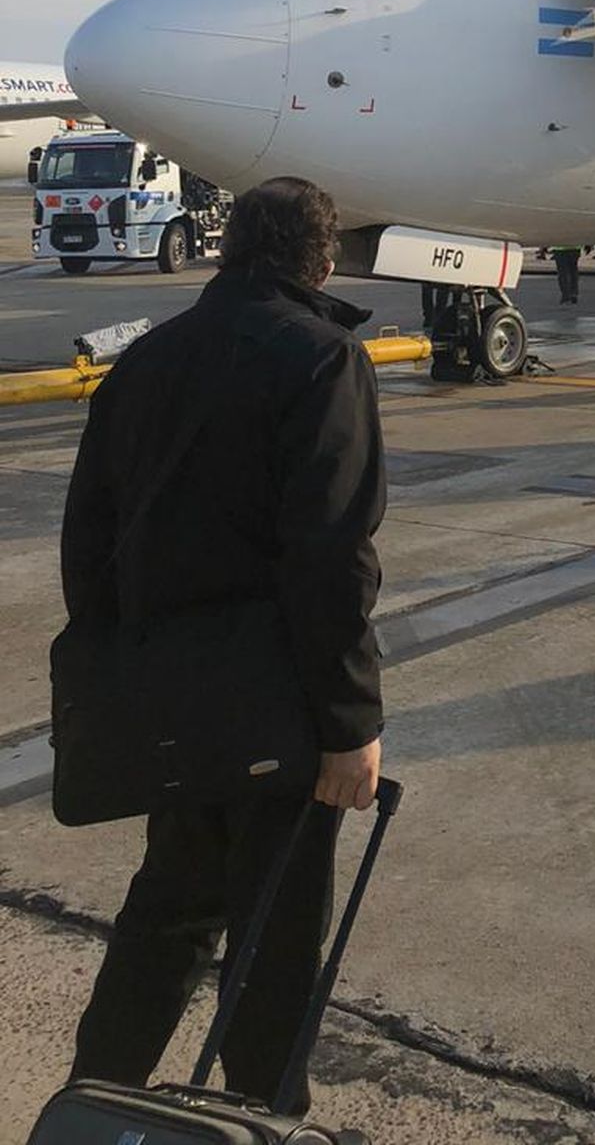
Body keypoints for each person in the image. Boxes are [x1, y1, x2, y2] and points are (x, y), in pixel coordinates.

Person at [63, 176, 385, 1114]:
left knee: (166, 914)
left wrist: (125, 672)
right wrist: (350, 722)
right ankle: (265, 1119)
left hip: (166, 705)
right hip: (277, 710)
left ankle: (92, 1104)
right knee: (276, 941)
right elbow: (331, 558)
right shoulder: (324, 360)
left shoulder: (146, 360)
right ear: (319, 259)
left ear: (228, 244)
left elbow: (87, 540)